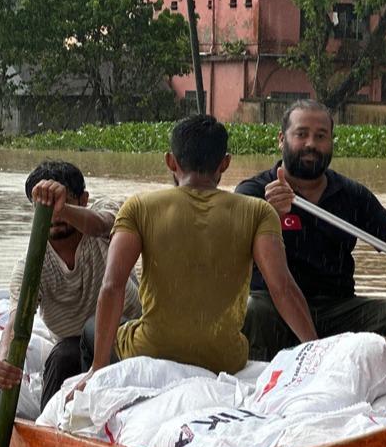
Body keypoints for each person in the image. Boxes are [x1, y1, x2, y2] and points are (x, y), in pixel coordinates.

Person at [72, 114, 316, 394]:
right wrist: (317, 348)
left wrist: (98, 367)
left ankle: (92, 400)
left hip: (152, 349)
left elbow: (112, 285)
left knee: (91, 329)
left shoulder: (139, 207)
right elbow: (282, 287)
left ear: (170, 161)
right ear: (225, 163)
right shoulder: (258, 211)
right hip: (224, 358)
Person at [235, 99, 386, 361]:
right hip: (274, 308)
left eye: (320, 136)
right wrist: (272, 215)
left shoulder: (352, 195)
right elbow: (231, 255)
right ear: (281, 139)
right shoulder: (254, 192)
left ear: (331, 141)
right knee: (252, 310)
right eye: (301, 134)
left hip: (336, 309)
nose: (311, 143)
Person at [0, 160, 142, 413]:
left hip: (129, 334)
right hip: (74, 349)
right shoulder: (32, 265)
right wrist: (4, 360)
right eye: (43, 208)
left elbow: (103, 223)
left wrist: (63, 210)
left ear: (83, 200)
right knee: (63, 358)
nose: (54, 216)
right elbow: (17, 321)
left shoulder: (105, 220)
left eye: (64, 203)